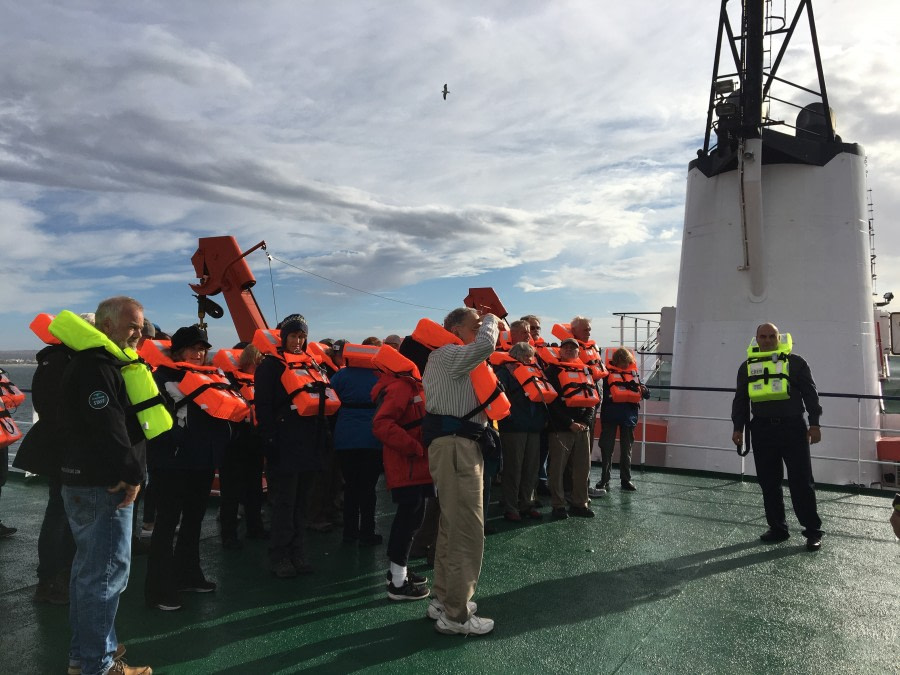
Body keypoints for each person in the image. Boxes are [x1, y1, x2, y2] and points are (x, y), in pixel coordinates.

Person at [58, 297, 156, 675]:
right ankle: (97, 666)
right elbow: (109, 426)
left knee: (90, 574)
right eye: (132, 325)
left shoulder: (91, 362)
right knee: (104, 576)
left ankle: (85, 656)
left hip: (88, 479)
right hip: (105, 484)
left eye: (140, 325)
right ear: (107, 325)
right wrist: (132, 474)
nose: (138, 332)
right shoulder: (97, 366)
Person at [421, 307, 499, 636]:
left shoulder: (450, 358)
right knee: (467, 528)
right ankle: (456, 615)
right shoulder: (449, 353)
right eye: (475, 326)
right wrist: (494, 319)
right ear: (454, 329)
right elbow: (486, 346)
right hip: (457, 448)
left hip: (458, 446)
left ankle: (443, 599)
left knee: (452, 526)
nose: (481, 330)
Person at [144, 326, 230, 611]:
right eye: (194, 348)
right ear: (178, 350)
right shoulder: (160, 379)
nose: (199, 353)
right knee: (166, 524)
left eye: (203, 348)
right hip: (171, 463)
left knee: (194, 522)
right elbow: (156, 421)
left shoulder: (209, 377)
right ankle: (159, 590)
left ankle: (188, 575)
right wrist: (178, 442)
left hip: (201, 462)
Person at [731, 323, 824, 551]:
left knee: (801, 481)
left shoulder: (796, 363)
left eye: (772, 336)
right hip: (762, 429)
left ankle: (812, 531)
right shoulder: (747, 367)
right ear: (756, 339)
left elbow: (811, 395)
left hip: (793, 427)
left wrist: (814, 424)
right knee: (769, 482)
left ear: (779, 338)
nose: (767, 340)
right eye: (763, 336)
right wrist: (738, 428)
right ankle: (778, 528)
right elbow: (741, 400)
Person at [254, 315, 327, 577]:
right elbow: (262, 406)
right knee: (284, 503)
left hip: (309, 443)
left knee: (301, 504)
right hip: (283, 444)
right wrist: (270, 439)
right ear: (283, 337)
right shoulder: (270, 367)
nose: (298, 341)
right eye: (294, 336)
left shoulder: (312, 365)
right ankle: (280, 556)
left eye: (302, 337)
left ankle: (298, 553)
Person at [371, 347, 432, 602]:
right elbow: (382, 425)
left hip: (416, 466)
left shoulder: (408, 385)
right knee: (408, 521)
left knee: (412, 519)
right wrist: (415, 448)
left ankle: (399, 571)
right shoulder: (400, 387)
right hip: (408, 465)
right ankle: (398, 583)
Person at [330, 350, 383, 545]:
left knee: (351, 488)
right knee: (368, 488)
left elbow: (330, 398)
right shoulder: (379, 375)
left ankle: (349, 533)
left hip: (345, 437)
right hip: (372, 437)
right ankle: (367, 532)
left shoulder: (341, 375)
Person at [544, 338, 596, 519]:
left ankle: (579, 503)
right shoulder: (552, 371)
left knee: (583, 468)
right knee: (557, 469)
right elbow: (551, 403)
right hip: (561, 428)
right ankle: (558, 505)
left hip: (582, 428)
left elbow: (592, 399)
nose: (568, 350)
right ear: (560, 351)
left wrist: (586, 422)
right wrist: (569, 422)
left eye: (572, 348)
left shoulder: (586, 371)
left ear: (578, 352)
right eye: (565, 347)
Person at [496, 342, 547, 521]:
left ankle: (527, 503)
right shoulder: (504, 373)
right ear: (516, 355)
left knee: (531, 468)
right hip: (513, 427)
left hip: (533, 427)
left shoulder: (536, 372)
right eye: (526, 356)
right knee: (513, 468)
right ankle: (511, 507)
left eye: (530, 356)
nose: (529, 359)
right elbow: (500, 397)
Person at [597, 347, 649, 492]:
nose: (627, 365)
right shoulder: (606, 375)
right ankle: (604, 479)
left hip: (629, 417)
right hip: (611, 416)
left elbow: (646, 393)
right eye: (624, 362)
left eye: (628, 362)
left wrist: (644, 390)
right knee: (607, 449)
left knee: (627, 449)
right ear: (618, 361)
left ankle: (626, 479)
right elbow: (601, 392)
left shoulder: (634, 374)